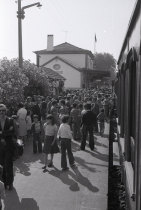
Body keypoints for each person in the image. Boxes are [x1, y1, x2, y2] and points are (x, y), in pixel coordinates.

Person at [0, 104, 15, 190]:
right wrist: (7, 131)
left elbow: (12, 133)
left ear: (6, 111)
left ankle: (10, 182)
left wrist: (2, 133)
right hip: (0, 148)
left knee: (8, 165)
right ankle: (4, 183)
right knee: (1, 166)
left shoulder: (10, 120)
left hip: (9, 146)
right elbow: (9, 132)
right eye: (0, 111)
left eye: (3, 110)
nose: (1, 112)